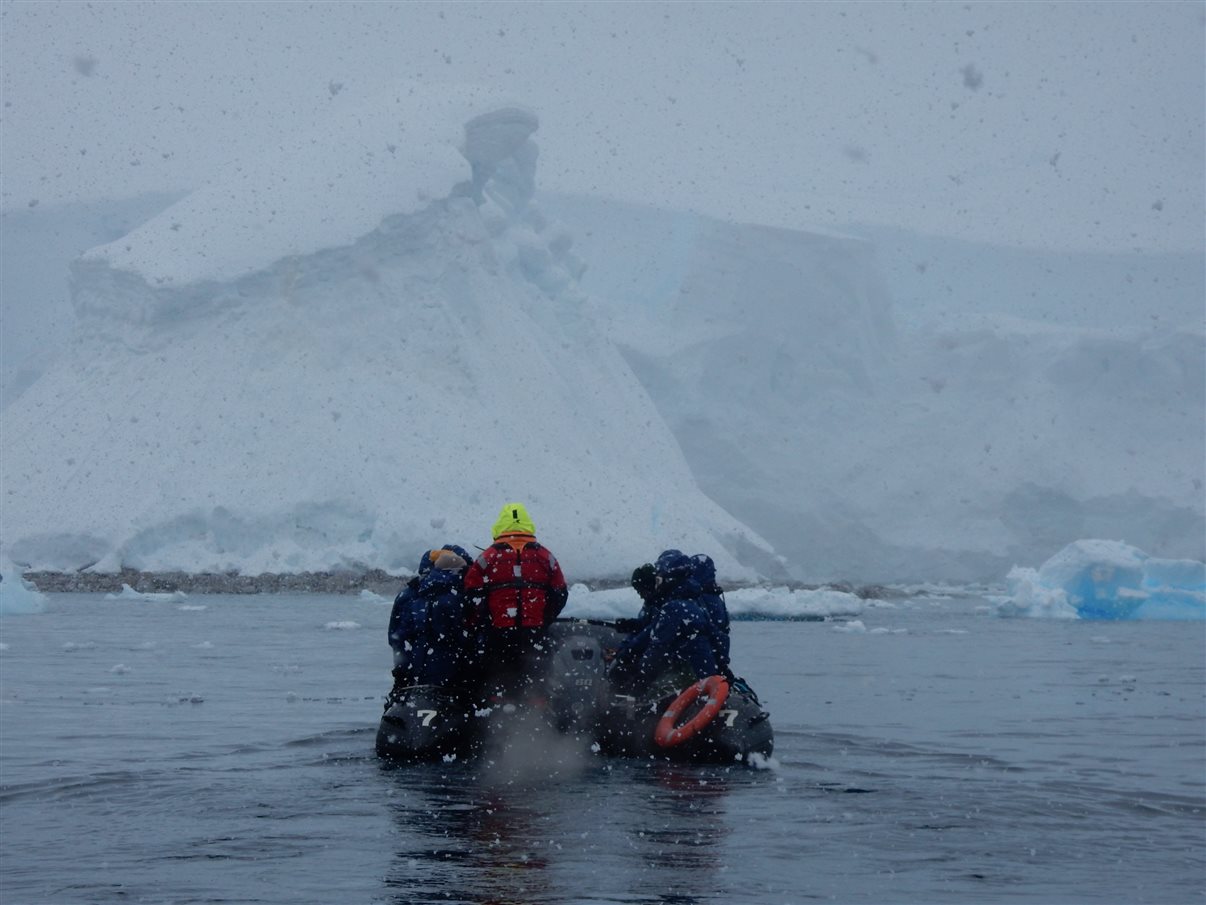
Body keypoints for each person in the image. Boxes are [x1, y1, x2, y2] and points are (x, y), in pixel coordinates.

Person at [463, 502, 568, 699]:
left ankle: (495, 715)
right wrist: (544, 618)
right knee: (537, 678)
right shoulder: (545, 556)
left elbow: (471, 594)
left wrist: (482, 621)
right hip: (534, 632)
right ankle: (538, 716)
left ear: (500, 526)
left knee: (497, 679)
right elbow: (560, 593)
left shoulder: (488, 557)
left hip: (499, 633)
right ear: (528, 525)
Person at [607, 549, 723, 694]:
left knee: (649, 698)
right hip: (703, 672)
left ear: (669, 580)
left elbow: (657, 644)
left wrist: (640, 674)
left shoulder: (673, 608)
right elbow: (651, 631)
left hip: (691, 677)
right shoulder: (693, 603)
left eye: (658, 580)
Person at [386, 544, 474, 706]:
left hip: (417, 672)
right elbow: (468, 638)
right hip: (453, 675)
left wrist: (402, 672)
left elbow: (397, 638)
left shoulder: (411, 594)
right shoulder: (463, 595)